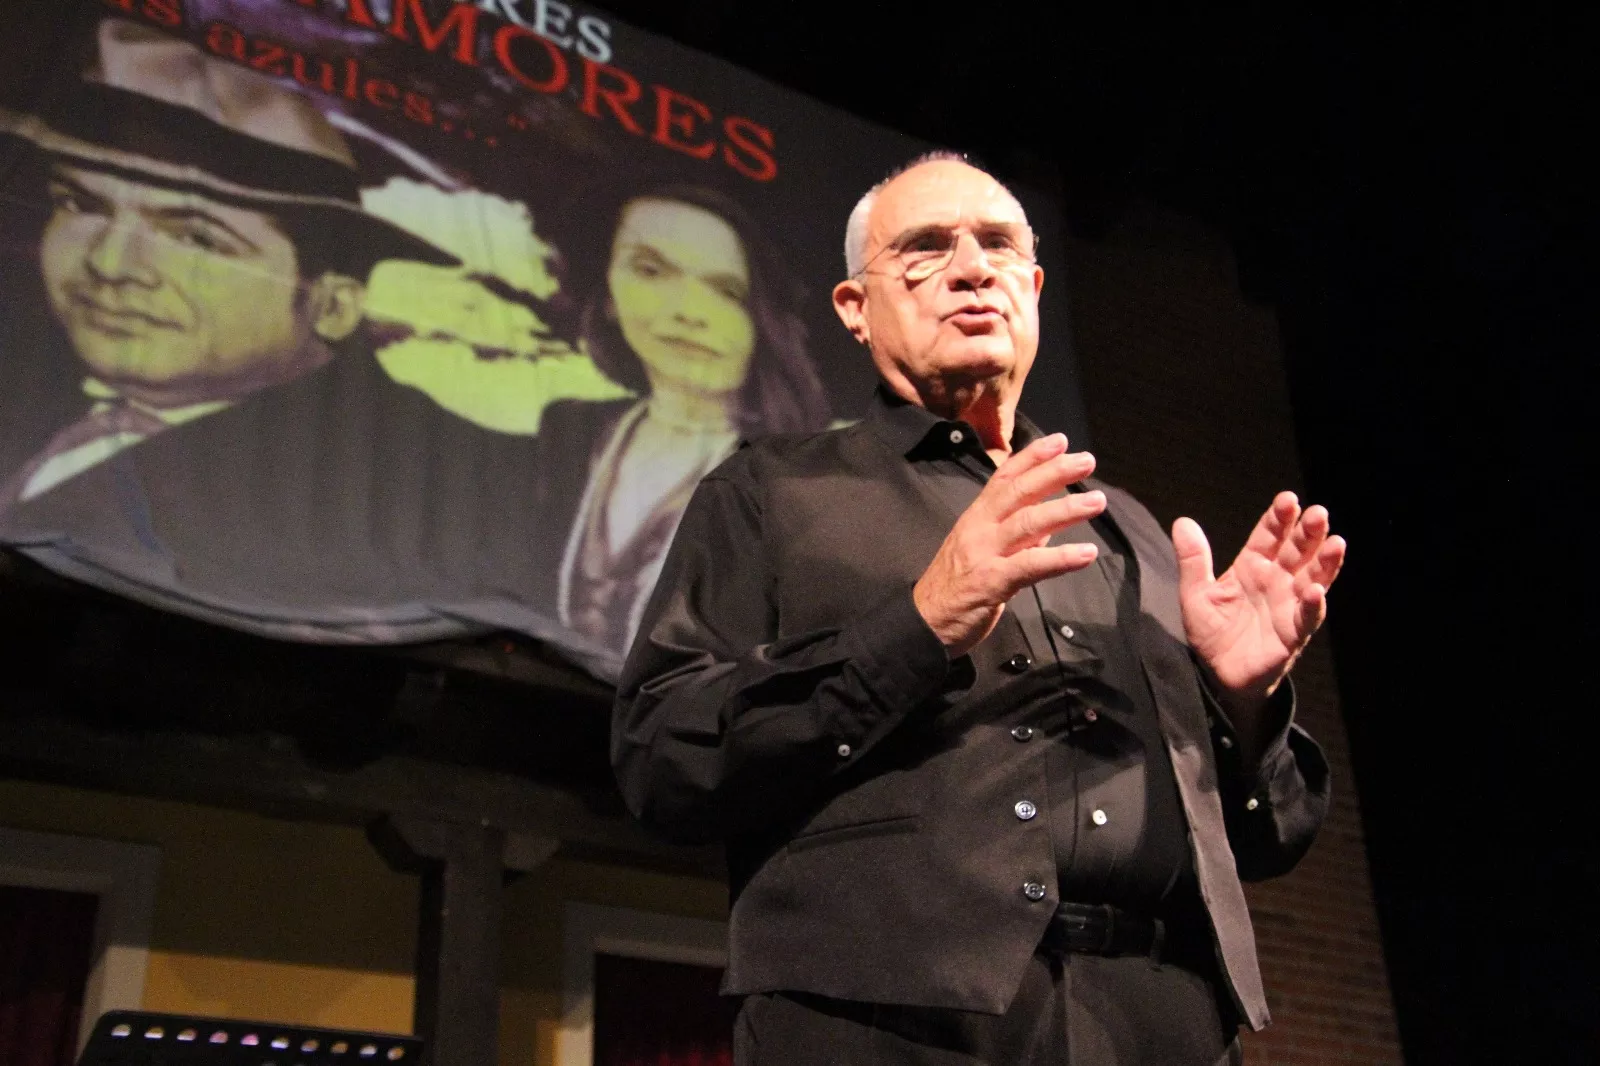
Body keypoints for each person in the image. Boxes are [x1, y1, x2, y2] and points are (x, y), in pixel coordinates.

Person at [613, 154, 1346, 1064]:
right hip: (890, 1024)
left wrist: (1243, 702)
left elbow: (1267, 839)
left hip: (1164, 1025)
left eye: (998, 244)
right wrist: (915, 627)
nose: (971, 269)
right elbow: (664, 761)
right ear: (854, 307)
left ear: (1032, 289)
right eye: (925, 248)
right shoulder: (771, 493)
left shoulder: (1133, 535)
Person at [0, 19, 547, 638]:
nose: (109, 263)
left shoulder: (443, 489)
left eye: (196, 239)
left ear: (334, 305)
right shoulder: (32, 388)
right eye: (79, 204)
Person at [541, 185, 830, 663]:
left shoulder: (793, 482)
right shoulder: (566, 434)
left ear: (765, 319)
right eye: (651, 270)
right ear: (607, 290)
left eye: (726, 290)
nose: (689, 312)